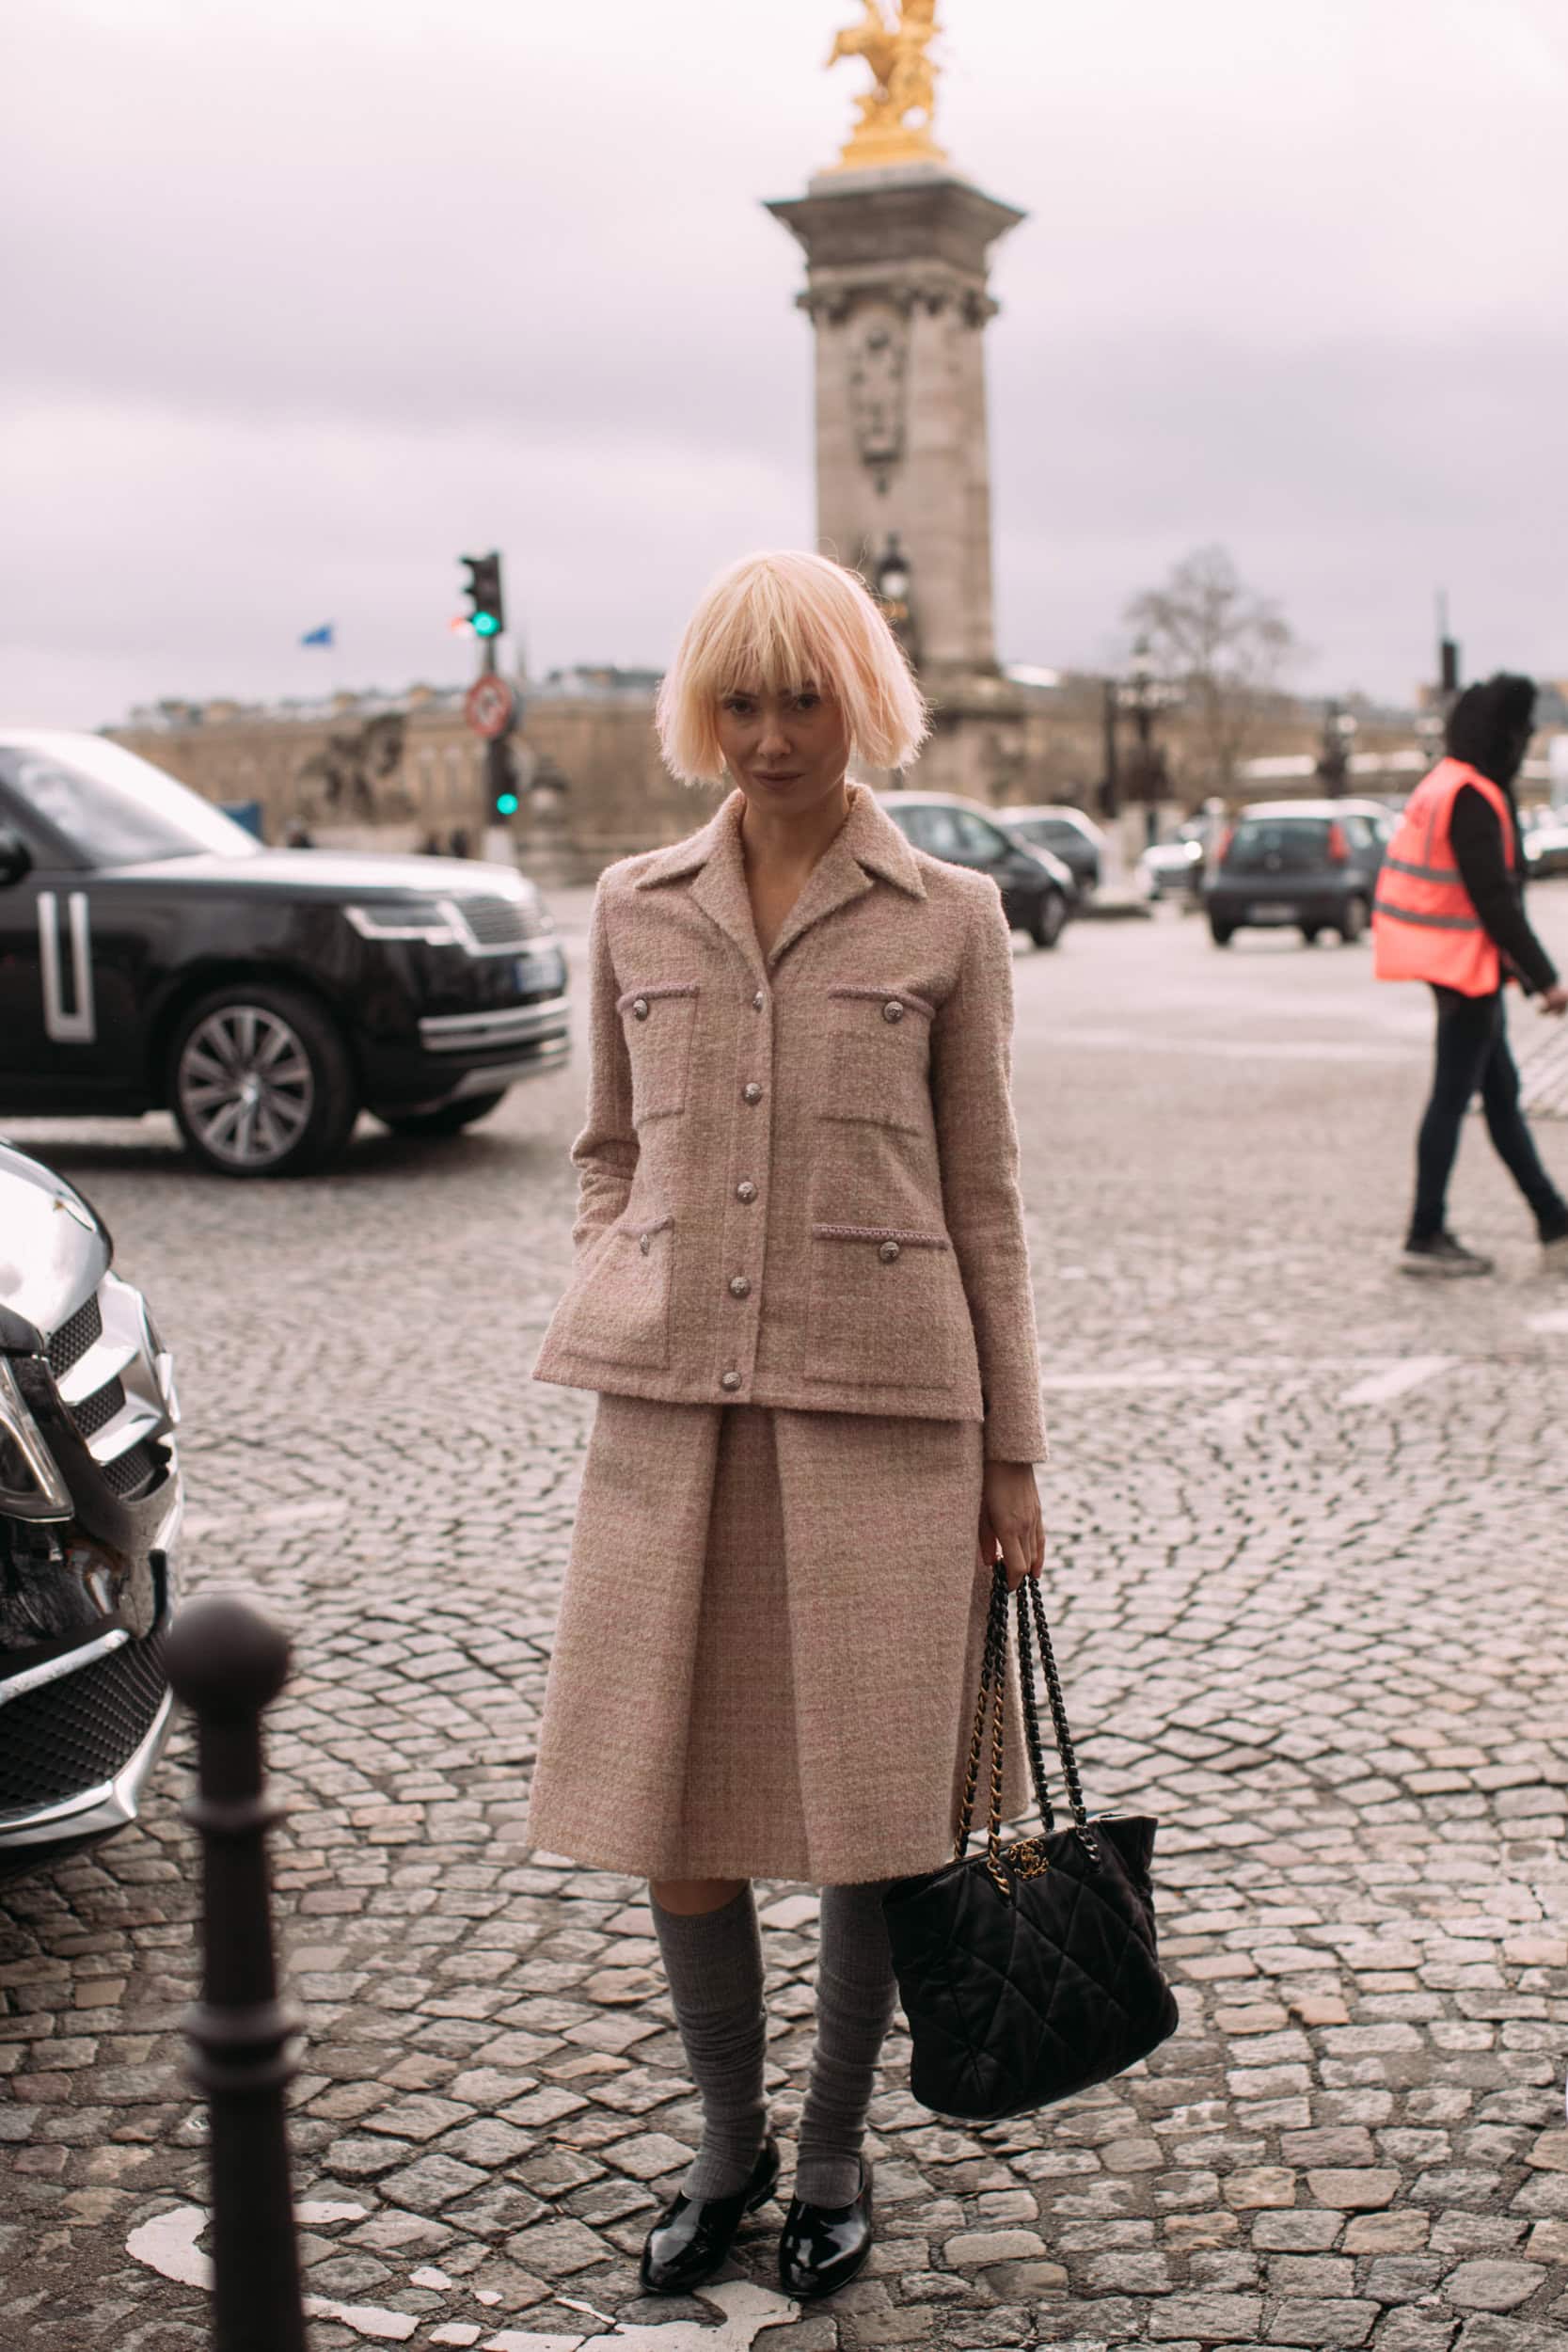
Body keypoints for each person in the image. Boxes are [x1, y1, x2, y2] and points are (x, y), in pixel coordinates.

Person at [526, 549, 1048, 2303]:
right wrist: (629, 1264)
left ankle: (828, 2156)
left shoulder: (945, 912)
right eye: (738, 701)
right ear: (702, 714)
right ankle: (723, 2143)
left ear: (860, 701)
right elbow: (607, 1153)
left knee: (865, 1813)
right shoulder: (633, 904)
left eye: (800, 697)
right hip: (671, 1420)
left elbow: (986, 1205)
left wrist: (1015, 1462)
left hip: (886, 1424)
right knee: (678, 1815)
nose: (768, 735)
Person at [1372, 673, 1568, 1276]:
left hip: (1457, 968)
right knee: (1453, 1099)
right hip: (1463, 971)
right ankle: (1424, 1232)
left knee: (1500, 1098)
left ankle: (1553, 1221)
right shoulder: (1473, 796)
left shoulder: (1448, 784)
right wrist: (1545, 979)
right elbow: (1494, 899)